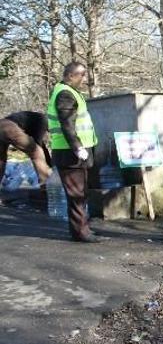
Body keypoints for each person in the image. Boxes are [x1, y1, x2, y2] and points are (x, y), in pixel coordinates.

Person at [47, 61, 99, 243]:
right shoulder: (65, 94)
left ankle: (82, 229)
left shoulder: (69, 92)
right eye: (81, 75)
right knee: (76, 194)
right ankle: (81, 233)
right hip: (70, 153)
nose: (84, 78)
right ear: (70, 76)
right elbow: (67, 123)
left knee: (80, 193)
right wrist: (77, 147)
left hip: (73, 152)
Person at [0, 111, 52, 186]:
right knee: (36, 153)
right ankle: (46, 185)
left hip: (3, 125)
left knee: (1, 159)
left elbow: (40, 144)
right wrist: (51, 166)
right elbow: (38, 146)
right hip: (8, 128)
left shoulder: (34, 119)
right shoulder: (42, 121)